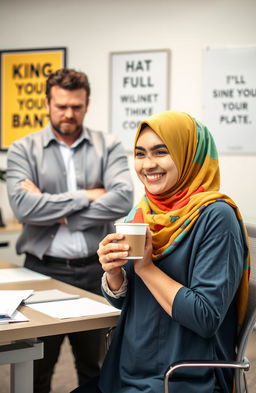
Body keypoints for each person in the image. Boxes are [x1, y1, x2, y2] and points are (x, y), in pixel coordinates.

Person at [71, 111, 250, 393]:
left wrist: (146, 268)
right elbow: (127, 302)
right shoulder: (143, 211)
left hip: (180, 379)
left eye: (161, 152)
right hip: (126, 370)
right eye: (140, 154)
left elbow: (205, 318)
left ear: (188, 154)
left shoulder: (216, 217)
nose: (148, 164)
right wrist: (113, 273)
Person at [6, 68, 134, 393]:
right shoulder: (23, 149)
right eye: (61, 105)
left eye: (76, 106)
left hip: (96, 272)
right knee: (36, 367)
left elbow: (121, 199)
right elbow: (23, 208)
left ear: (87, 104)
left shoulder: (110, 145)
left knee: (96, 368)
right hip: (41, 271)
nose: (68, 113)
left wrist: (57, 213)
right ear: (47, 104)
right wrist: (86, 195)